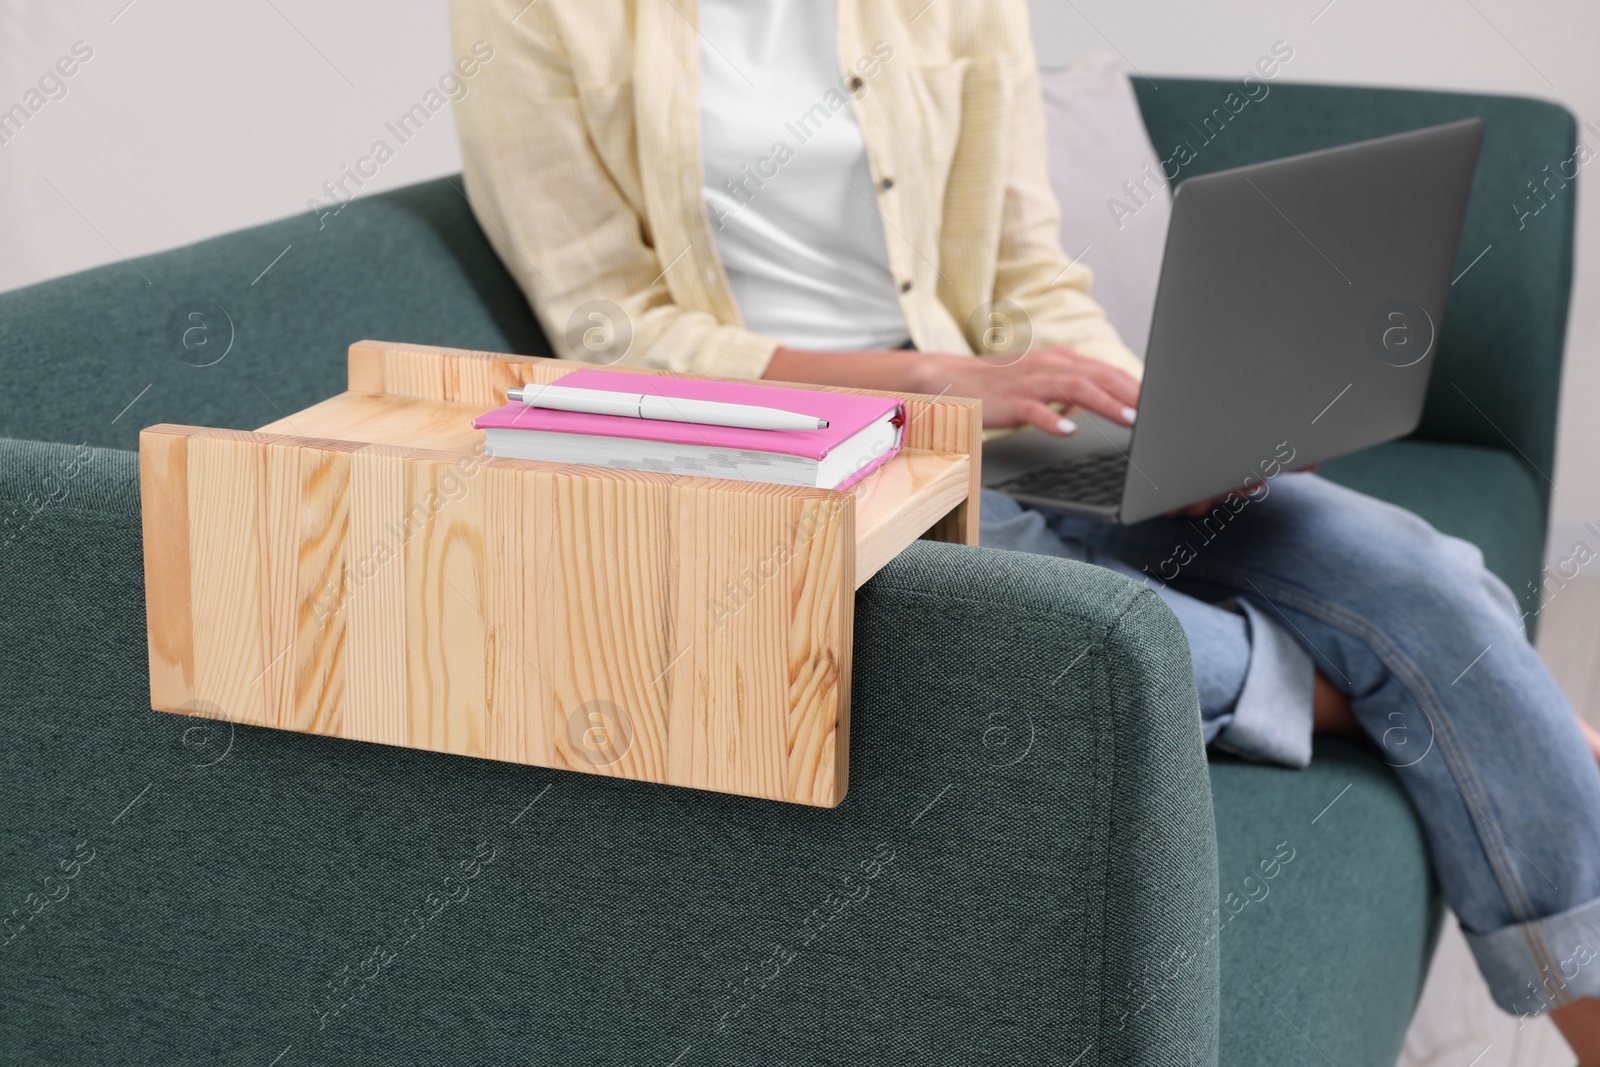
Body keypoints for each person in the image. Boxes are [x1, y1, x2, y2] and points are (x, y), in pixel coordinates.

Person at [450, 0, 1600, 1056]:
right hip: (796, 465)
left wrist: (1162, 418)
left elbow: (1024, 274)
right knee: (1125, 643)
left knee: (1424, 578)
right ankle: (1440, 699)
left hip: (1013, 422)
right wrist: (932, 378)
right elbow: (607, 326)